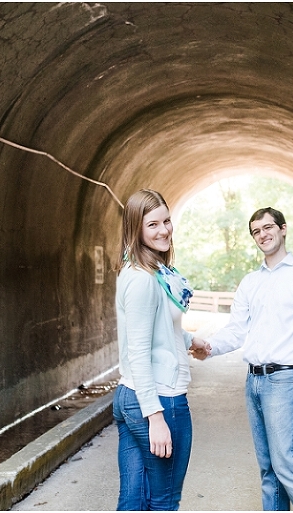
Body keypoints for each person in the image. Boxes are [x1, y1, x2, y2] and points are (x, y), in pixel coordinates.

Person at [191, 206, 293, 511]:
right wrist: (210, 347)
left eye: (268, 227)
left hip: (287, 380)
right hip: (254, 382)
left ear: (283, 229)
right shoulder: (250, 283)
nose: (262, 235)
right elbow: (236, 330)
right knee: (269, 471)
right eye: (256, 231)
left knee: (288, 467)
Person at [113, 188, 201, 510]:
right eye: (152, 224)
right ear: (135, 229)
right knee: (164, 502)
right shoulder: (143, 280)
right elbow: (138, 351)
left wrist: (190, 341)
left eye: (166, 221)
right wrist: (156, 417)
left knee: (133, 501)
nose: (164, 230)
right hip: (159, 397)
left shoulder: (149, 272)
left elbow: (155, 326)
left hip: (131, 396)